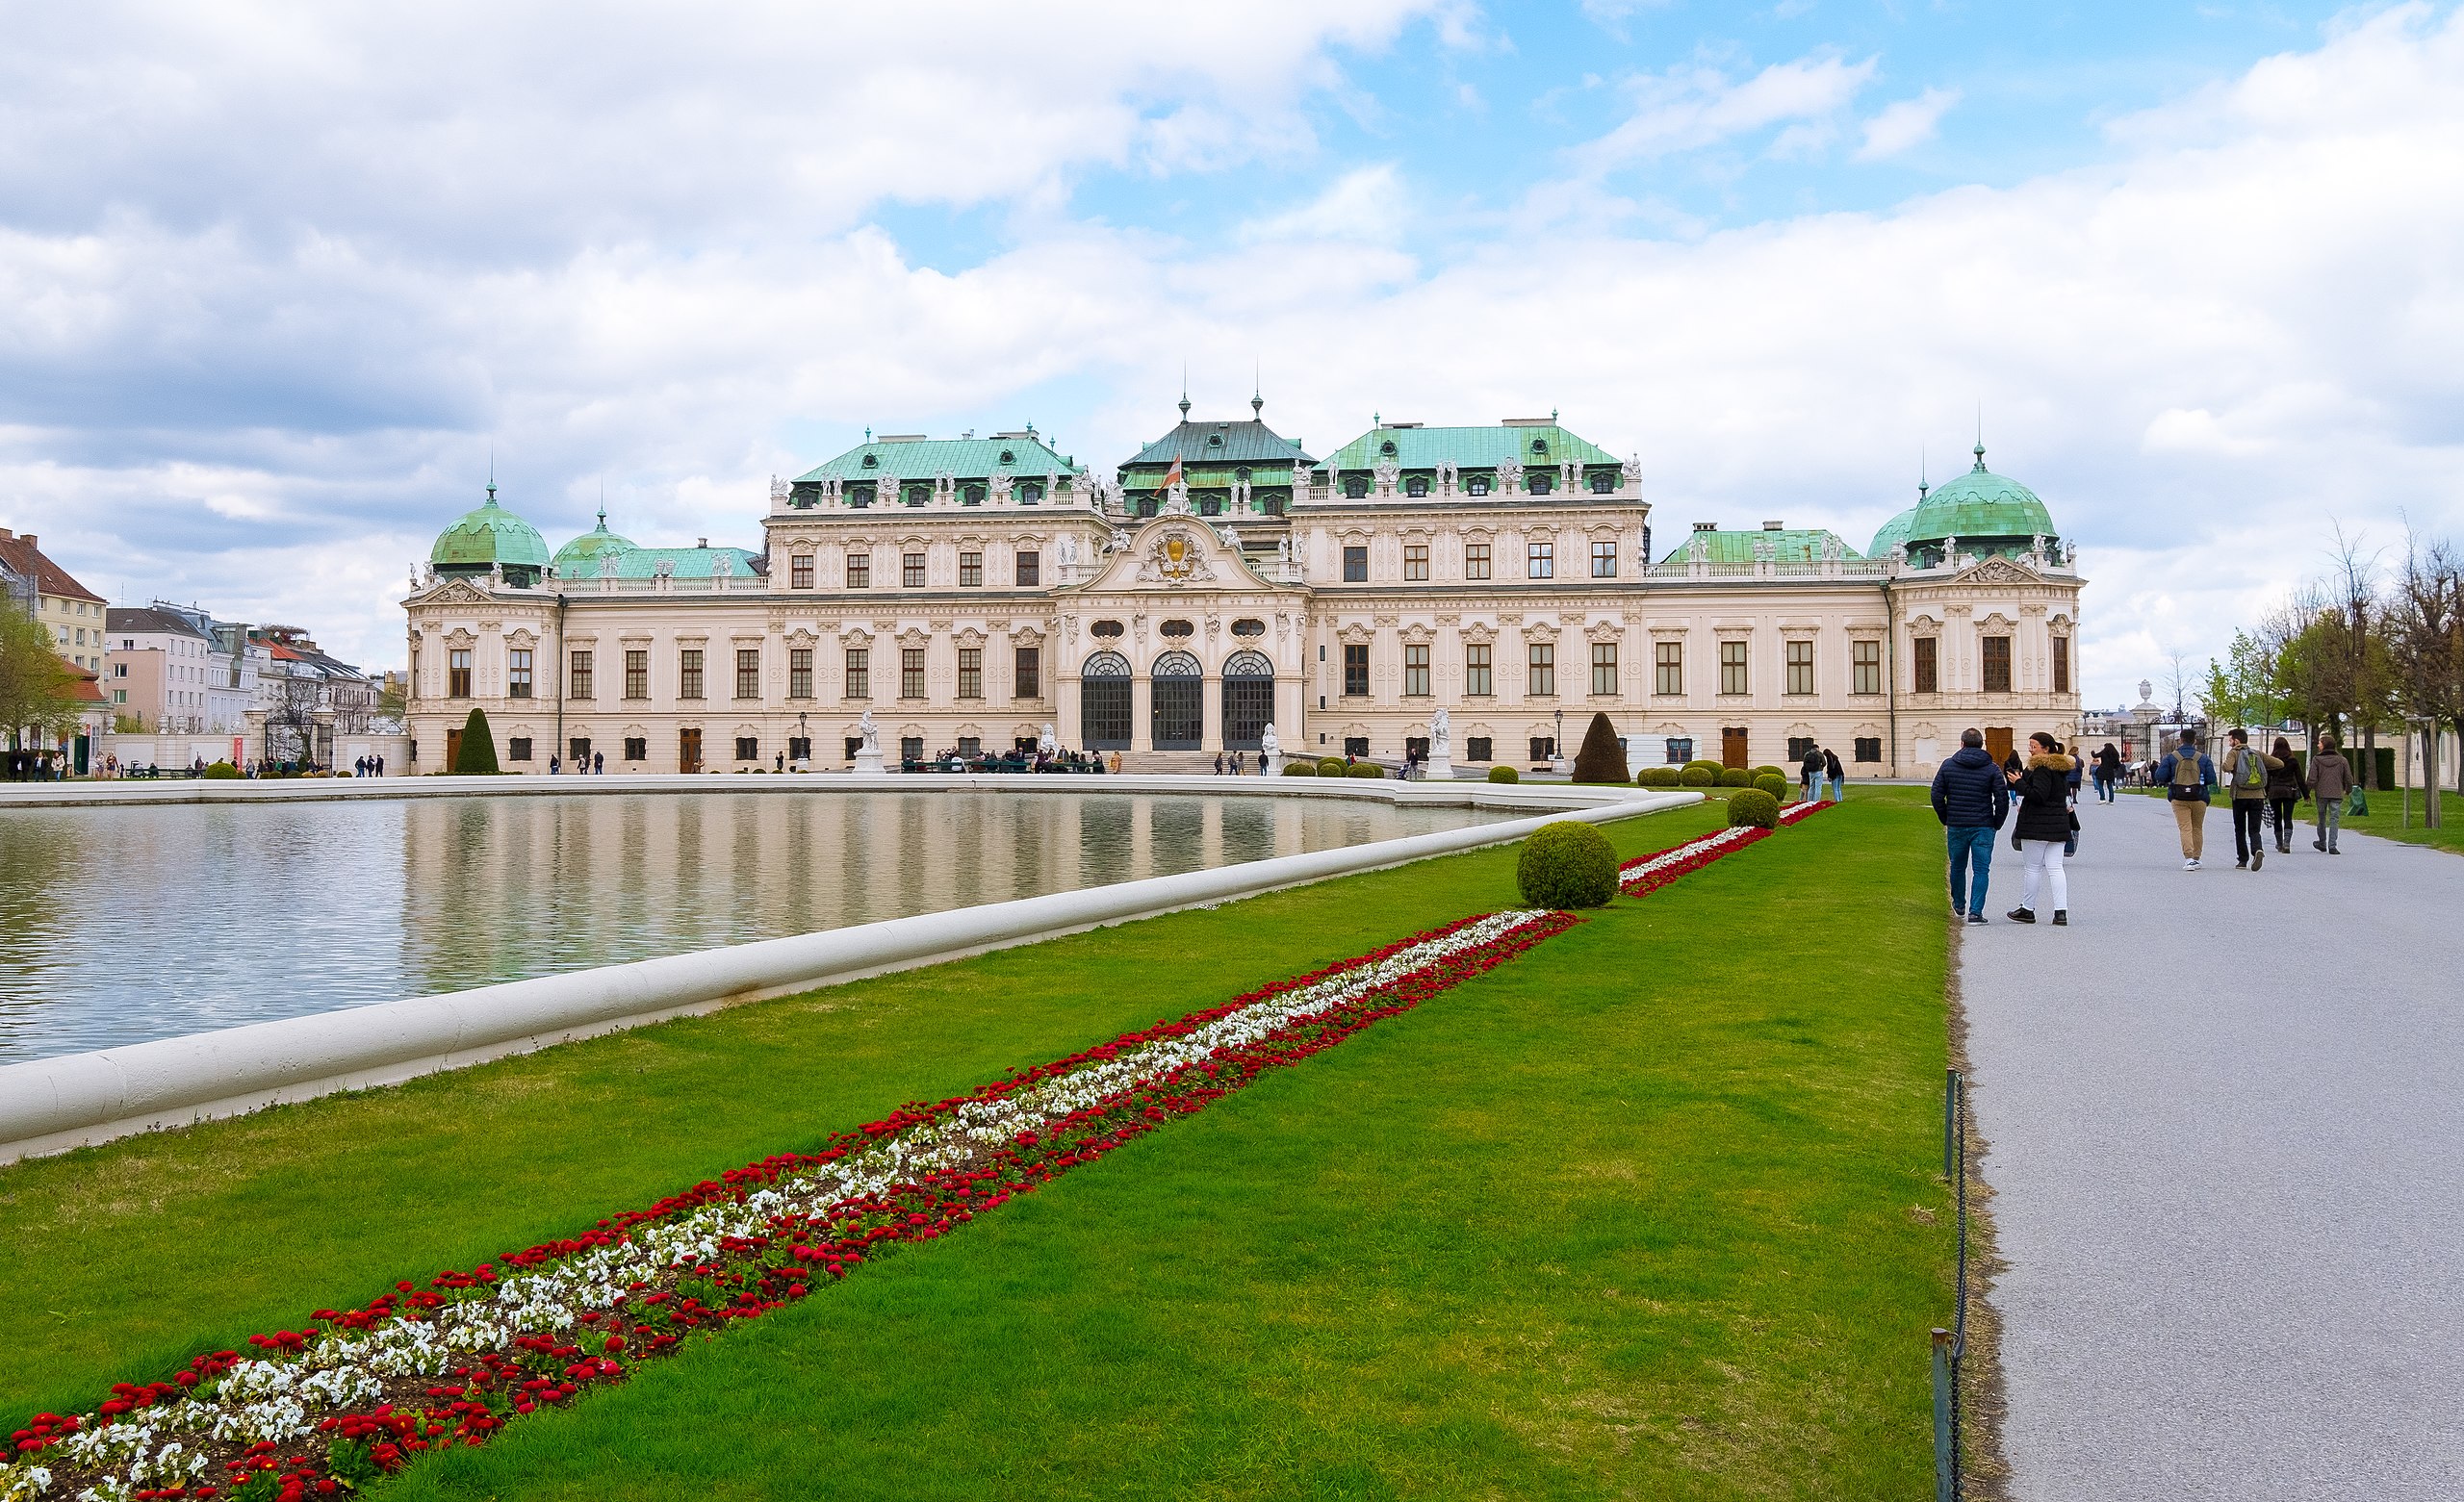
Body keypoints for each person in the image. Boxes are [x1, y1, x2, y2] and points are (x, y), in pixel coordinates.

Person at [1931, 727, 2010, 924]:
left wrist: (1945, 816)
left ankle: (1959, 903)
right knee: (1981, 869)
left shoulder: (1949, 765)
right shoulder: (1991, 768)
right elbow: (2002, 798)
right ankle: (1975, 912)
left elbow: (1936, 794)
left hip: (1957, 823)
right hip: (1983, 824)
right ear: (1982, 745)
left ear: (1962, 743)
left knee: (1957, 866)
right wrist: (1997, 822)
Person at [2005, 732, 2075, 925]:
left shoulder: (2041, 768)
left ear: (2046, 749)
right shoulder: (2060, 770)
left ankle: (2028, 909)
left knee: (2033, 868)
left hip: (2037, 824)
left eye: (2034, 746)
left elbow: (2039, 795)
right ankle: (2061, 911)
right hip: (2058, 824)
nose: (2030, 749)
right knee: (2056, 868)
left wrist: (2018, 782)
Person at [2149, 730, 2217, 871]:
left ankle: (2189, 858)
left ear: (2180, 740)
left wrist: (2173, 779)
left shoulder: (2171, 757)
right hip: (2199, 797)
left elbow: (2160, 776)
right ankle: (2197, 858)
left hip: (2178, 797)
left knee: (2185, 827)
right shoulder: (2203, 758)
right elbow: (2211, 779)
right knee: (2197, 828)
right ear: (2195, 741)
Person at [2307, 734, 2352, 854]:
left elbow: (2312, 778)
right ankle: (2332, 845)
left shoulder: (2317, 760)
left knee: (2321, 818)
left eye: (2320, 743)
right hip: (2337, 793)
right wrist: (2348, 790)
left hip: (2321, 793)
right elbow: (2348, 777)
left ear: (2325, 745)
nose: (2318, 745)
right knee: (2334, 819)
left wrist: (2307, 792)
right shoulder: (2342, 760)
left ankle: (2322, 842)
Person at [2265, 737, 2302, 853]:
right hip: (2289, 791)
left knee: (2277, 818)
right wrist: (2306, 794)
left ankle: (2279, 843)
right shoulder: (2293, 760)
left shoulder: (2271, 760)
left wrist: (2265, 792)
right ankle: (2287, 843)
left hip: (2274, 791)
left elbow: (2267, 778)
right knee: (2288, 818)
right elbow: (2299, 778)